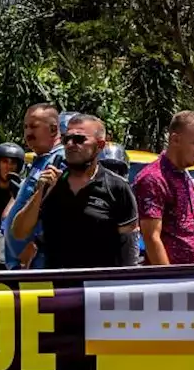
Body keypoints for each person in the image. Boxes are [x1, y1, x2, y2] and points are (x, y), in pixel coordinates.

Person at [9, 115, 139, 269]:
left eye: (79, 139)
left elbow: (128, 251)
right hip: (59, 287)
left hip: (97, 287)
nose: (70, 144)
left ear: (100, 145)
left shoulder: (117, 188)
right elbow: (19, 232)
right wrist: (40, 192)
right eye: (66, 139)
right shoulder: (51, 184)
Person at [133, 110, 194, 265]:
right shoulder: (153, 179)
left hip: (193, 277)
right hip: (172, 281)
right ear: (175, 140)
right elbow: (151, 237)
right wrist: (169, 279)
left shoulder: (183, 176)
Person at [2, 104, 66, 269]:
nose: (28, 133)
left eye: (34, 127)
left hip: (38, 263)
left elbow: (59, 211)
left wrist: (37, 242)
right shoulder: (40, 161)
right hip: (22, 265)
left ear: (53, 129)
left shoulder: (60, 161)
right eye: (25, 127)